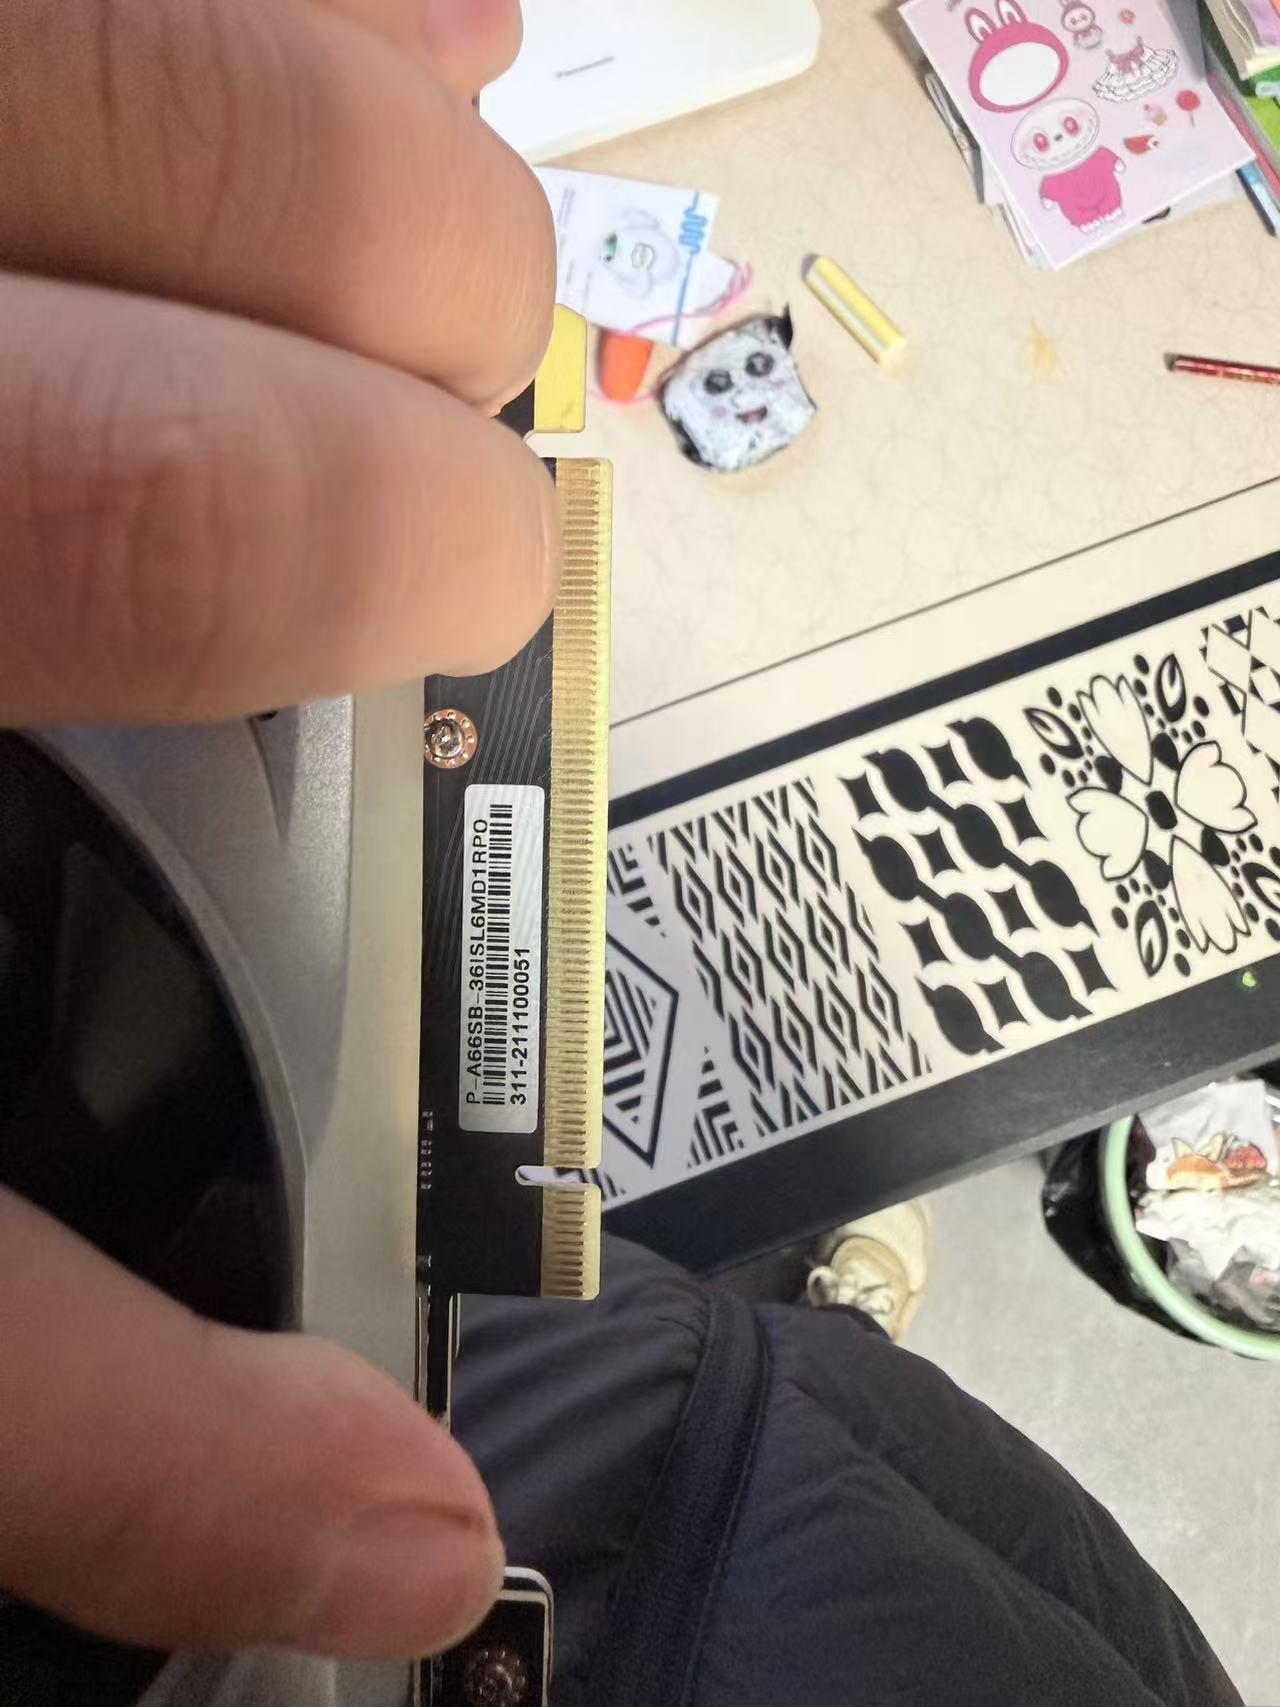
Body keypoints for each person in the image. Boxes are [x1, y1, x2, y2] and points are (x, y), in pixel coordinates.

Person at [0, 4, 1242, 1702]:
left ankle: (801, 1349)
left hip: (654, 1423)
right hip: (560, 1565)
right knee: (716, 1448)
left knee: (826, 1436)